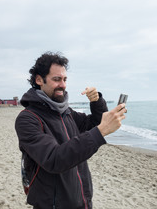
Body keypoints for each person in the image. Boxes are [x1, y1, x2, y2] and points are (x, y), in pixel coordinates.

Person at [15, 52, 126, 209]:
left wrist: (96, 101)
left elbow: (93, 123)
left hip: (83, 201)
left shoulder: (66, 112)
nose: (63, 84)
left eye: (65, 79)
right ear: (39, 80)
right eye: (56, 79)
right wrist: (101, 131)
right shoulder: (27, 119)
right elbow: (54, 159)